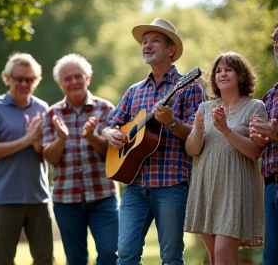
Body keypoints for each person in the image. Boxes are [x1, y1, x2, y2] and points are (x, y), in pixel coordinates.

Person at [102, 18, 203, 264]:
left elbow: (198, 137)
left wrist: (171, 122)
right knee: (125, 254)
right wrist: (110, 134)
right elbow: (112, 125)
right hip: (135, 185)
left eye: (154, 41)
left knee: (170, 256)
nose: (147, 45)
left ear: (171, 50)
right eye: (144, 41)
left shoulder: (189, 88)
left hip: (171, 184)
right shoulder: (134, 91)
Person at [184, 51, 267, 265]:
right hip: (206, 186)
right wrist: (199, 130)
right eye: (218, 71)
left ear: (241, 76)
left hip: (235, 188)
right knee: (215, 258)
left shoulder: (255, 107)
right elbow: (192, 150)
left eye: (228, 69)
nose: (222, 74)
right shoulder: (205, 108)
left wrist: (226, 130)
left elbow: (255, 152)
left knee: (222, 254)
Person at [42, 53, 118, 265]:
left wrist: (92, 137)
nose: (74, 81)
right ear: (60, 83)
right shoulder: (51, 114)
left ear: (87, 79)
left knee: (110, 254)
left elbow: (112, 153)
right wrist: (62, 138)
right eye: (68, 78)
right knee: (75, 259)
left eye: (78, 76)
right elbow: (50, 157)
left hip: (103, 196)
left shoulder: (105, 108)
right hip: (66, 201)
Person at [0, 53, 53, 265]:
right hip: (3, 198)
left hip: (38, 198)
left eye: (30, 79)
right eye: (19, 79)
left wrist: (36, 144)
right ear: (7, 78)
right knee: (2, 260)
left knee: (44, 258)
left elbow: (46, 153)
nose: (24, 84)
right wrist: (26, 140)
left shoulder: (43, 108)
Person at [250, 24, 278, 265]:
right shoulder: (269, 96)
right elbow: (267, 140)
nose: (276, 44)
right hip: (270, 186)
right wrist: (261, 141)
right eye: (275, 39)